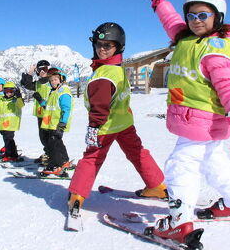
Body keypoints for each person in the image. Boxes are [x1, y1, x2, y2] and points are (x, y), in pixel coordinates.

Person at [141, 0, 230, 248]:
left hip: (201, 120)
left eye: (203, 15)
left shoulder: (216, 49)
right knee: (213, 161)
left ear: (218, 16)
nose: (196, 21)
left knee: (181, 164)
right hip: (198, 120)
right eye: (191, 15)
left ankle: (178, 223)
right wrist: (159, 1)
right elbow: (171, 21)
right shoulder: (186, 37)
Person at [67, 23, 167, 215]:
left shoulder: (103, 75)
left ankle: (77, 196)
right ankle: (157, 185)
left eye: (107, 45)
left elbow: (99, 107)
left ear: (118, 47)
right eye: (99, 44)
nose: (102, 49)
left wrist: (93, 128)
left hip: (105, 127)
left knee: (92, 158)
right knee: (137, 152)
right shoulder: (117, 68)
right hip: (124, 123)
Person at [32, 67, 72, 176]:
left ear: (61, 79)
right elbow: (49, 106)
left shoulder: (63, 91)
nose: (53, 82)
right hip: (51, 123)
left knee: (52, 144)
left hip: (57, 124)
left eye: (55, 79)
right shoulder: (54, 91)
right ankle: (64, 162)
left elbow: (66, 109)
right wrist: (40, 100)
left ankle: (55, 166)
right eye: (51, 80)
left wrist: (62, 125)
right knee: (57, 143)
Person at [20, 59, 52, 164]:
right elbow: (26, 84)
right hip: (40, 114)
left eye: (45, 69)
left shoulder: (52, 81)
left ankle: (52, 156)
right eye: (40, 70)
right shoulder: (37, 83)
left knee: (50, 137)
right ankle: (48, 153)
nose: (43, 71)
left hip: (51, 114)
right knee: (43, 137)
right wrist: (30, 73)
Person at [0, 81, 25, 162]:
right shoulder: (1, 100)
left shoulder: (16, 100)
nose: (9, 93)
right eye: (6, 91)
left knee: (9, 138)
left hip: (11, 123)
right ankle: (9, 153)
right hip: (2, 123)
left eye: (11, 91)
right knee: (6, 138)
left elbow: (21, 105)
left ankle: (12, 155)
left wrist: (19, 97)